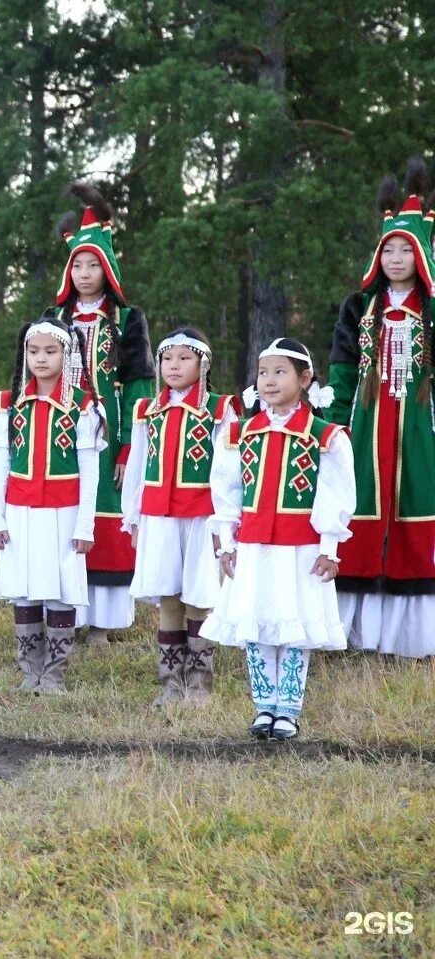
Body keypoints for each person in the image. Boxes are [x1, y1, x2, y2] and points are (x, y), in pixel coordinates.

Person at [205, 339, 355, 741]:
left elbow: (335, 495)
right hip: (254, 546)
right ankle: (263, 706)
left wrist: (329, 548)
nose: (269, 381)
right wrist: (226, 542)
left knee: (293, 624)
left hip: (301, 549)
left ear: (305, 379)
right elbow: (226, 491)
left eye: (280, 372)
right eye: (263, 372)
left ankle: (288, 709)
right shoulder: (239, 434)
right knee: (253, 623)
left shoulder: (325, 437)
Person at [327, 158, 435, 658]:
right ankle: (359, 633)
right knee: (363, 506)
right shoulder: (358, 307)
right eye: (387, 249)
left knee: (417, 505)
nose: (395, 258)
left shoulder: (431, 310)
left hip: (419, 424)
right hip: (367, 423)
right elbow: (342, 371)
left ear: (422, 255)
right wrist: (330, 429)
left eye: (405, 250)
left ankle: (411, 638)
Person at [44, 183, 156, 643]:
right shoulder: (55, 316)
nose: (85, 273)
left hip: (110, 435)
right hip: (63, 429)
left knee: (106, 507)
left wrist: (131, 442)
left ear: (107, 268)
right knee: (69, 511)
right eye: (78, 265)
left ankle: (104, 622)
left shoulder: (129, 321)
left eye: (93, 264)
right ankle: (68, 612)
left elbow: (139, 385)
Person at [121, 328, 240, 706]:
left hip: (201, 517)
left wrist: (225, 524)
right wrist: (134, 518)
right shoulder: (147, 409)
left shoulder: (220, 409)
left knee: (199, 595)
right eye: (167, 358)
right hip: (159, 515)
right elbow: (138, 466)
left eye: (184, 358)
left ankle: (199, 683)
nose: (174, 365)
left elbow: (227, 471)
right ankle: (170, 682)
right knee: (168, 593)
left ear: (203, 364)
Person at [0, 319, 104, 694]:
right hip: (19, 511)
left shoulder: (83, 407)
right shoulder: (9, 403)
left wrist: (85, 525)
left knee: (60, 588)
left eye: (50, 351)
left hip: (64, 512)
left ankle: (54, 675)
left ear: (66, 354)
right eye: (33, 351)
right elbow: (1, 463)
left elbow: (90, 470)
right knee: (24, 589)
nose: (40, 358)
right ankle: (29, 671)